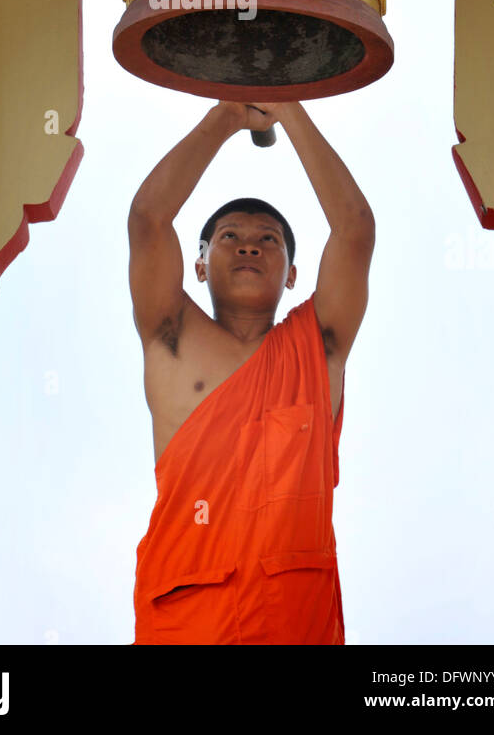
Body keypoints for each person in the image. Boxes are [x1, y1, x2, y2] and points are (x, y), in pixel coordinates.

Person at [128, 99, 375, 645]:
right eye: (229, 237)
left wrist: (288, 106)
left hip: (294, 618)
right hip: (186, 618)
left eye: (269, 241)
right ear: (198, 265)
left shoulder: (319, 347)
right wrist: (230, 114)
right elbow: (148, 218)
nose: (248, 245)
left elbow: (354, 229)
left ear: (291, 274)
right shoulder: (172, 339)